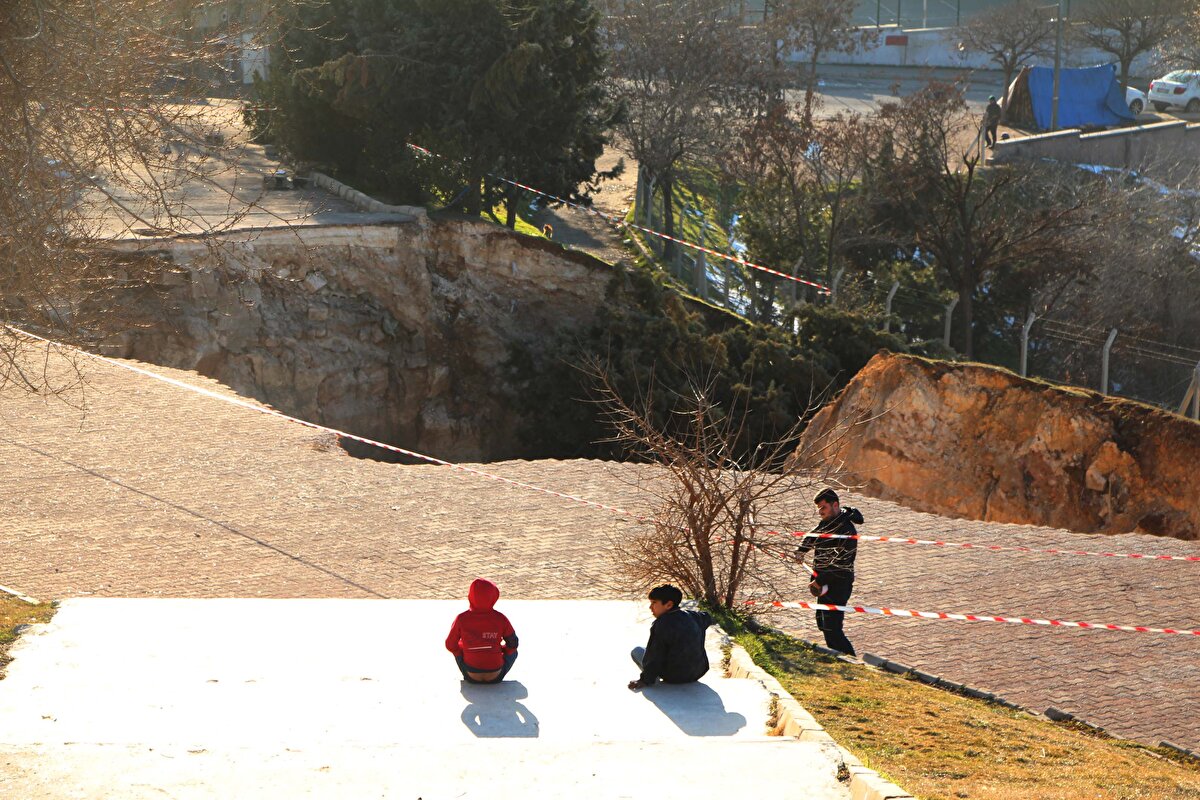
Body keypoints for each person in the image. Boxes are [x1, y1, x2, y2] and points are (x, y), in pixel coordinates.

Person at [794, 488, 863, 657]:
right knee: (822, 623)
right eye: (818, 508)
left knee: (832, 627)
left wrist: (820, 580)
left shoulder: (847, 530)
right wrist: (801, 550)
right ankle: (838, 656)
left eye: (823, 508)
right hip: (823, 582)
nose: (820, 512)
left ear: (835, 505)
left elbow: (840, 563)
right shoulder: (828, 522)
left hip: (838, 583)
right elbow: (814, 535)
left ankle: (850, 660)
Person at [628, 584, 712, 690]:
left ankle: (654, 679)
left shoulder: (661, 624)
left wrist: (644, 680)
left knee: (637, 651)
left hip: (673, 676)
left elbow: (655, 656)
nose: (650, 607)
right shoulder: (693, 616)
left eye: (654, 603)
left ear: (668, 605)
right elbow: (707, 617)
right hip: (698, 672)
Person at [445, 578, 519, 684]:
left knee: (460, 646)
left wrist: (460, 651)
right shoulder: (501, 618)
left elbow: (450, 644)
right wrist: (502, 650)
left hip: (471, 675)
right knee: (514, 652)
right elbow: (513, 643)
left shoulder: (461, 618)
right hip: (496, 675)